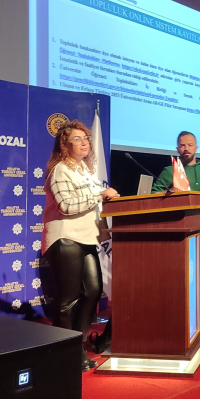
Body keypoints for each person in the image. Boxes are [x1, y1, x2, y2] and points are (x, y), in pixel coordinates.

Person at [41, 120, 119, 371]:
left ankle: (78, 344)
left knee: (93, 291)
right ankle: (65, 353)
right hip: (65, 238)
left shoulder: (86, 170)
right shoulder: (60, 170)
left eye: (86, 138)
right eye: (77, 139)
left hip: (87, 238)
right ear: (64, 144)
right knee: (68, 300)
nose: (85, 142)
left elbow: (93, 203)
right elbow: (66, 206)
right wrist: (99, 195)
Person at [152, 131, 200, 266]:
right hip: (177, 230)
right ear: (177, 149)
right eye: (182, 145)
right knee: (177, 271)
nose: (186, 148)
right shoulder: (170, 170)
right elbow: (153, 196)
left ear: (196, 148)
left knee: (195, 273)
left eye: (190, 145)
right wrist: (169, 191)